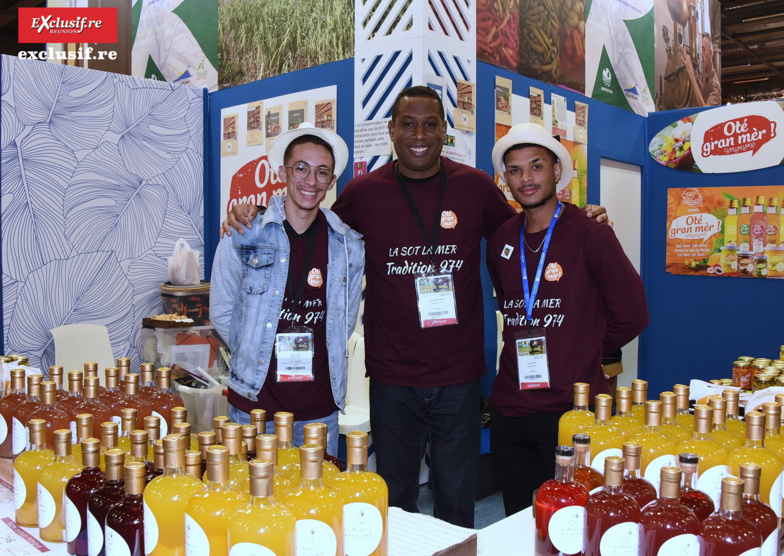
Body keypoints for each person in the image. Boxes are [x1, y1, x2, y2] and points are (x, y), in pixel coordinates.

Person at [221, 86, 608, 527]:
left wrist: (579, 217)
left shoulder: (476, 188)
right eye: (408, 124)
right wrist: (254, 213)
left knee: (456, 503)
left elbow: (530, 228)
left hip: (459, 379)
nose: (419, 134)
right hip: (392, 379)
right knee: (395, 502)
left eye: (429, 124)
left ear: (444, 131)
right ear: (391, 130)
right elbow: (309, 220)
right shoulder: (363, 194)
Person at [486, 122, 649, 515]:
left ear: (557, 171)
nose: (526, 179)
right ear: (505, 178)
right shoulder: (501, 240)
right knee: (518, 518)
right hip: (511, 406)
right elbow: (510, 304)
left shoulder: (591, 233)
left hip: (571, 409)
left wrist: (585, 346)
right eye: (515, 170)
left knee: (573, 519)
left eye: (536, 166)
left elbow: (633, 314)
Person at [210, 122, 364, 457]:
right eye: (301, 168)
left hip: (318, 411)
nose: (311, 181)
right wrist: (252, 351)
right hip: (254, 405)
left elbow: (345, 321)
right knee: (250, 491)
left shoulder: (347, 245)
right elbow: (221, 311)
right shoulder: (243, 233)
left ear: (332, 182)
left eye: (322, 172)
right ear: (283, 172)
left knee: (316, 492)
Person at [683, 33, 721, 107]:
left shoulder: (715, 86)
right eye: (700, 50)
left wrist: (692, 76)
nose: (701, 55)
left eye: (703, 50)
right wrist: (697, 80)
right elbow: (703, 96)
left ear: (710, 53)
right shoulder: (705, 75)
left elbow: (705, 111)